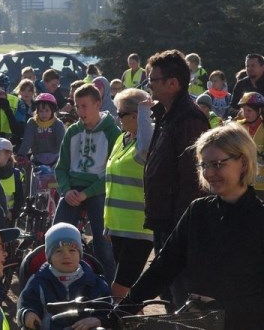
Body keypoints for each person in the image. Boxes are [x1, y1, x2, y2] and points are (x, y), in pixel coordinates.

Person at [121, 123, 264, 329]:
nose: (209, 173)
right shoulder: (198, 211)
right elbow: (163, 267)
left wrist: (221, 310)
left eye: (217, 164)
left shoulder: (259, 218)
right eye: (204, 165)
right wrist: (118, 312)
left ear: (243, 162)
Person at [142, 49, 210, 310]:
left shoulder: (189, 119)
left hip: (178, 225)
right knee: (169, 295)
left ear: (173, 83)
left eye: (152, 80)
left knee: (183, 297)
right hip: (165, 221)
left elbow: (194, 179)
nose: (149, 85)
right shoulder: (166, 115)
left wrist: (182, 227)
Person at [53, 83, 120, 284]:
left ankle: (110, 293)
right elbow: (61, 168)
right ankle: (58, 284)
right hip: (72, 191)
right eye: (77, 106)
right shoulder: (72, 132)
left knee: (104, 247)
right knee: (57, 237)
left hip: (98, 191)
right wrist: (66, 190)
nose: (80, 111)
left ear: (97, 104)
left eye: (84, 106)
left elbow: (113, 173)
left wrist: (87, 193)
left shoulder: (112, 133)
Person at [104, 88, 154, 300]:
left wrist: (145, 113)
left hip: (137, 228)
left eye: (122, 113)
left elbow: (146, 146)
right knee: (127, 292)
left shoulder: (146, 142)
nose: (118, 117)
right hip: (117, 226)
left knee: (119, 289)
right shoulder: (121, 140)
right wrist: (108, 225)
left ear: (136, 116)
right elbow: (111, 184)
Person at [17, 223, 111, 330]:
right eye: (58, 251)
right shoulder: (38, 281)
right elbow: (25, 305)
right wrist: (27, 314)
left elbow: (109, 312)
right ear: (49, 257)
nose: (66, 256)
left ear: (80, 254)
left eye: (72, 250)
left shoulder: (96, 283)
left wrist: (98, 320)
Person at [17, 92, 65, 167]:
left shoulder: (58, 124)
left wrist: (63, 160)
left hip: (55, 160)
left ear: (52, 111)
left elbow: (61, 143)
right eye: (41, 111)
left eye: (47, 111)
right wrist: (21, 155)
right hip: (37, 160)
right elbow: (27, 140)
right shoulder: (32, 122)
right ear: (37, 111)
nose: (44, 114)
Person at [0, 138, 24, 224]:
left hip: (8, 219)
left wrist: (13, 213)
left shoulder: (16, 175)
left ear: (8, 154)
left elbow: (20, 199)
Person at [235, 92, 264, 196]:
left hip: (261, 186)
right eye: (244, 110)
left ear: (259, 111)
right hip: (242, 182)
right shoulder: (237, 126)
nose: (246, 114)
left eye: (249, 110)